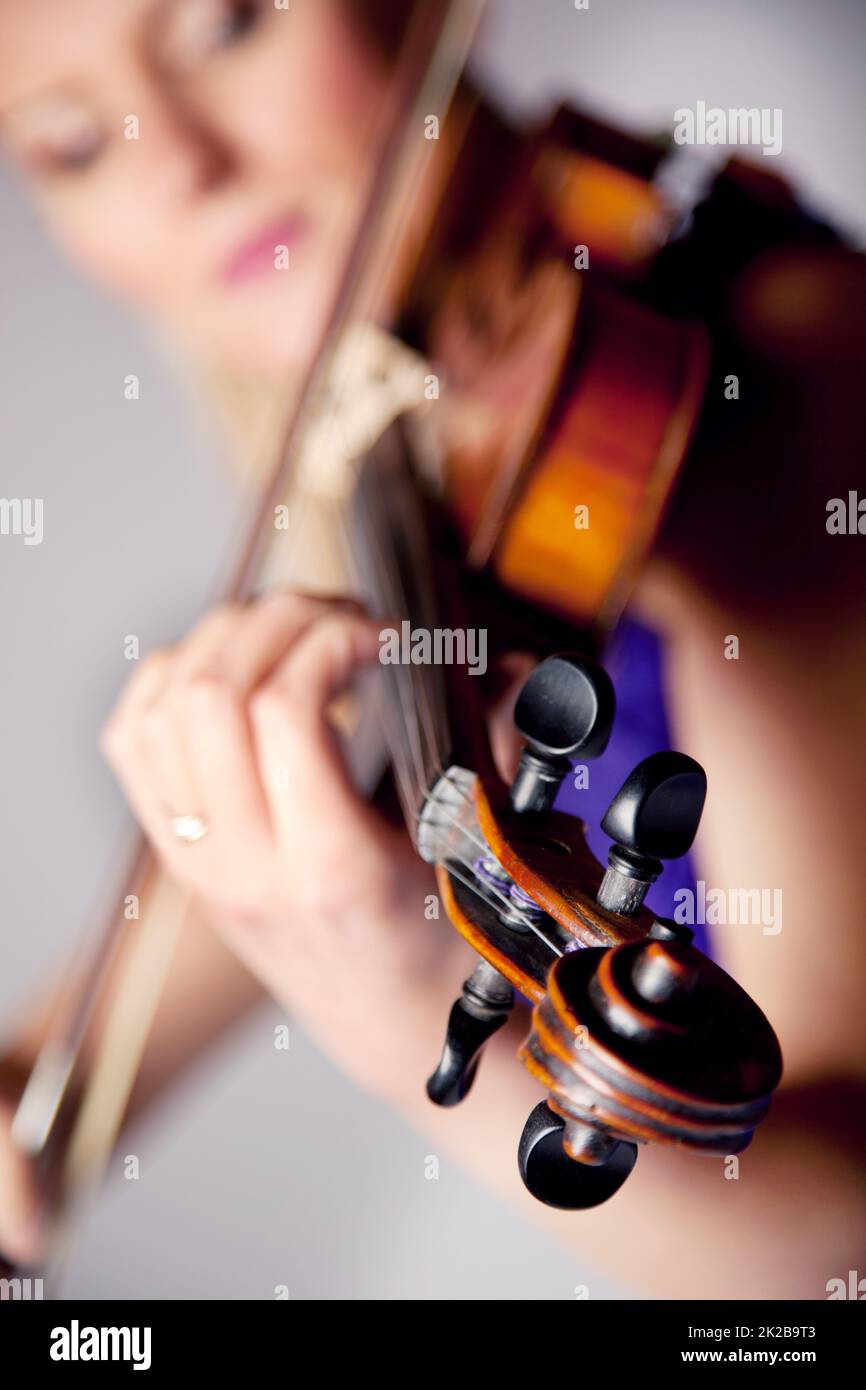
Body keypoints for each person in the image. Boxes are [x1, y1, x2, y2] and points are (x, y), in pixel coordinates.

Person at [1, 0, 865, 1300]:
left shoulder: (752, 372)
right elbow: (368, 761)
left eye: (228, 26)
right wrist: (32, 1085)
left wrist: (395, 997)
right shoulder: (436, 375)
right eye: (72, 145)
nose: (180, 160)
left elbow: (830, 1255)